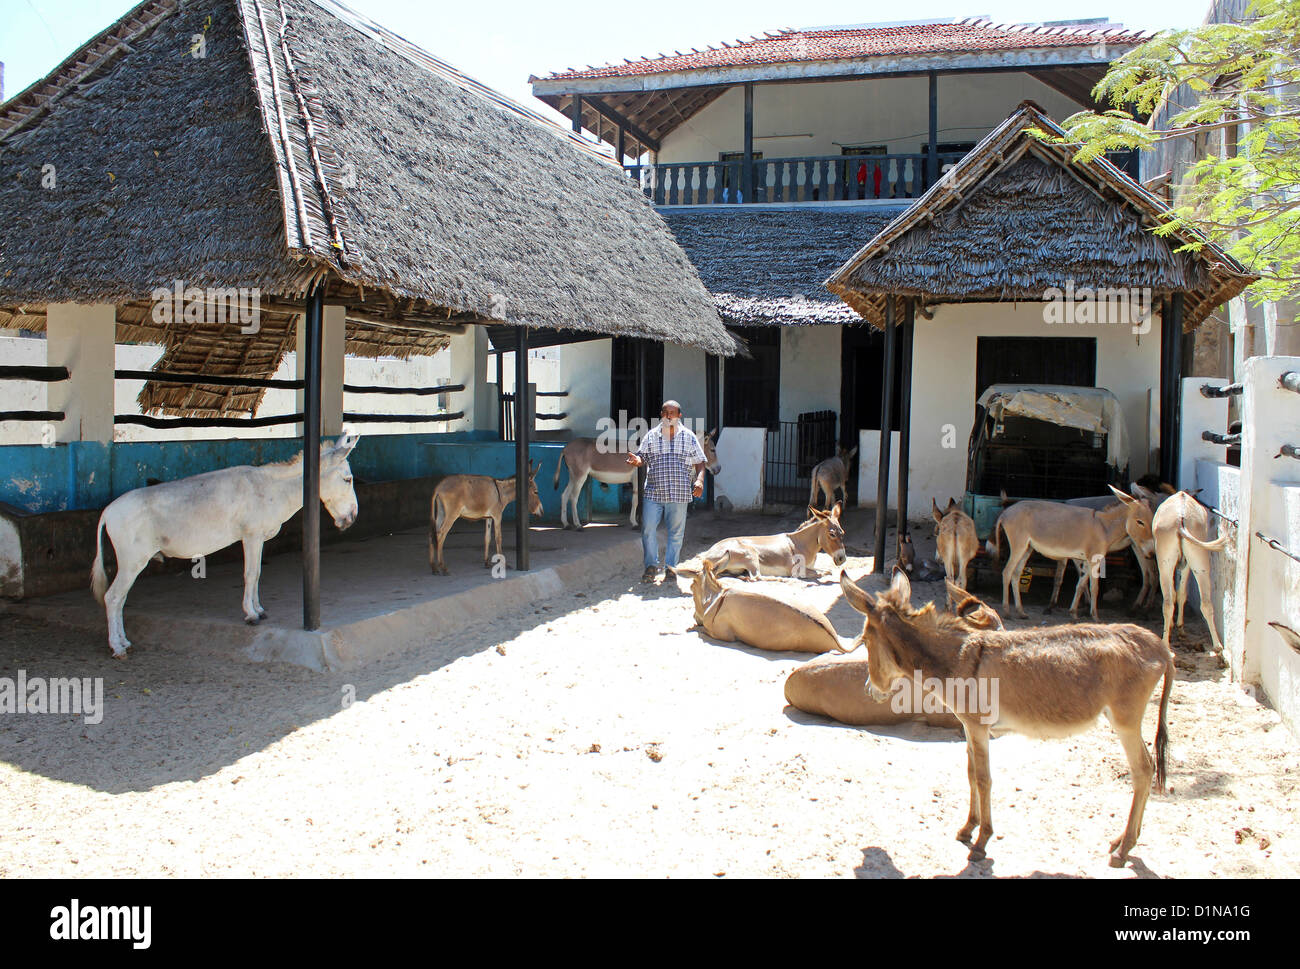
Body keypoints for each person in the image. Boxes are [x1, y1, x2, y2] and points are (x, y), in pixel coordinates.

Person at [626, 400, 708, 583]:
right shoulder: (651, 436)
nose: (669, 416)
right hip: (654, 493)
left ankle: (671, 568)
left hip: (679, 494)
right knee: (647, 529)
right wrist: (637, 461)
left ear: (679, 415)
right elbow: (642, 457)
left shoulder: (688, 437)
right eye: (665, 412)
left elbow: (700, 462)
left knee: (676, 533)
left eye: (672, 412)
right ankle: (651, 566)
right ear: (661, 415)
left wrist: (700, 480)